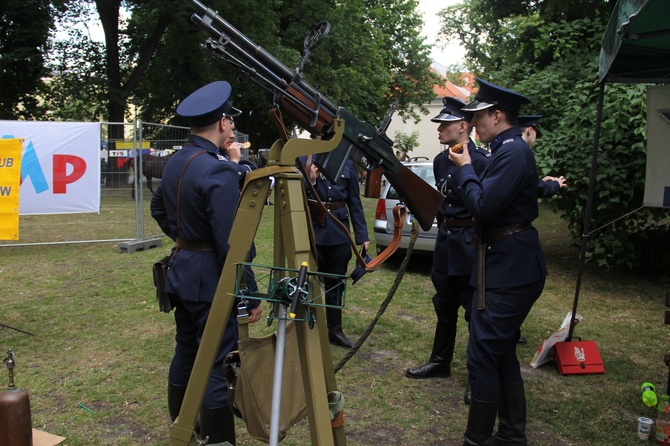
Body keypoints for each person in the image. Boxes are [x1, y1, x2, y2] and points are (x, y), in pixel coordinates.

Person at [150, 80, 263, 445]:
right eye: (230, 120)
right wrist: (250, 292)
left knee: (186, 348)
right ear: (221, 123)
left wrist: (185, 239)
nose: (231, 125)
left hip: (180, 272)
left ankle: (184, 424)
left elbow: (157, 208)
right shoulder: (218, 169)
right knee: (218, 360)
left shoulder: (176, 161)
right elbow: (232, 241)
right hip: (211, 278)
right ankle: (216, 440)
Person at [449, 78, 548, 446]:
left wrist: (465, 168)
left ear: (498, 114)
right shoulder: (507, 150)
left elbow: (483, 207)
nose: (473, 124)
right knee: (499, 350)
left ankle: (478, 440)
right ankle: (510, 436)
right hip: (502, 263)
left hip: (511, 267)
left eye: (478, 117)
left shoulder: (511, 153)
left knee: (483, 352)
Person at [404, 97, 490, 400]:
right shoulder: (440, 161)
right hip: (446, 243)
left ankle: (476, 376)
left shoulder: (480, 161)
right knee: (444, 305)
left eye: (445, 124)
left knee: (474, 311)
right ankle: (440, 362)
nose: (439, 129)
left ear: (463, 126)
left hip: (470, 244)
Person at [299, 155, 370, 349]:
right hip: (313, 230)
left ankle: (335, 330)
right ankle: (305, 328)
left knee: (335, 283)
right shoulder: (303, 159)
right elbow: (293, 196)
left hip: (339, 231)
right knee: (306, 281)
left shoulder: (346, 163)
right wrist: (310, 180)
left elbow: (354, 201)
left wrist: (362, 236)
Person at [518, 115, 568, 198]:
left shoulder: (511, 148)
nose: (536, 139)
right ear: (530, 130)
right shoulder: (523, 152)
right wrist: (556, 184)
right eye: (536, 134)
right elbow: (537, 189)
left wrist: (540, 181)